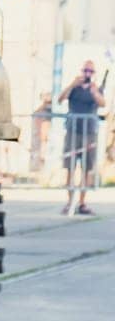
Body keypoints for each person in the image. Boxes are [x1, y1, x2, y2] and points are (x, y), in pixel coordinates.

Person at [58, 62, 105, 215]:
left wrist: (94, 92)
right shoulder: (74, 88)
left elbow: (102, 104)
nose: (87, 73)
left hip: (89, 132)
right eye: (85, 70)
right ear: (81, 71)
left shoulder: (96, 88)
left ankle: (82, 203)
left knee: (86, 169)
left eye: (91, 71)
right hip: (73, 131)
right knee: (70, 168)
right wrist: (72, 84)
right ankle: (69, 202)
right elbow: (60, 99)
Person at [30, 93, 53, 177]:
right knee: (40, 152)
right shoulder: (40, 111)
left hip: (44, 138)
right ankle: (38, 171)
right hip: (41, 137)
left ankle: (41, 171)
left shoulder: (47, 111)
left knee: (43, 152)